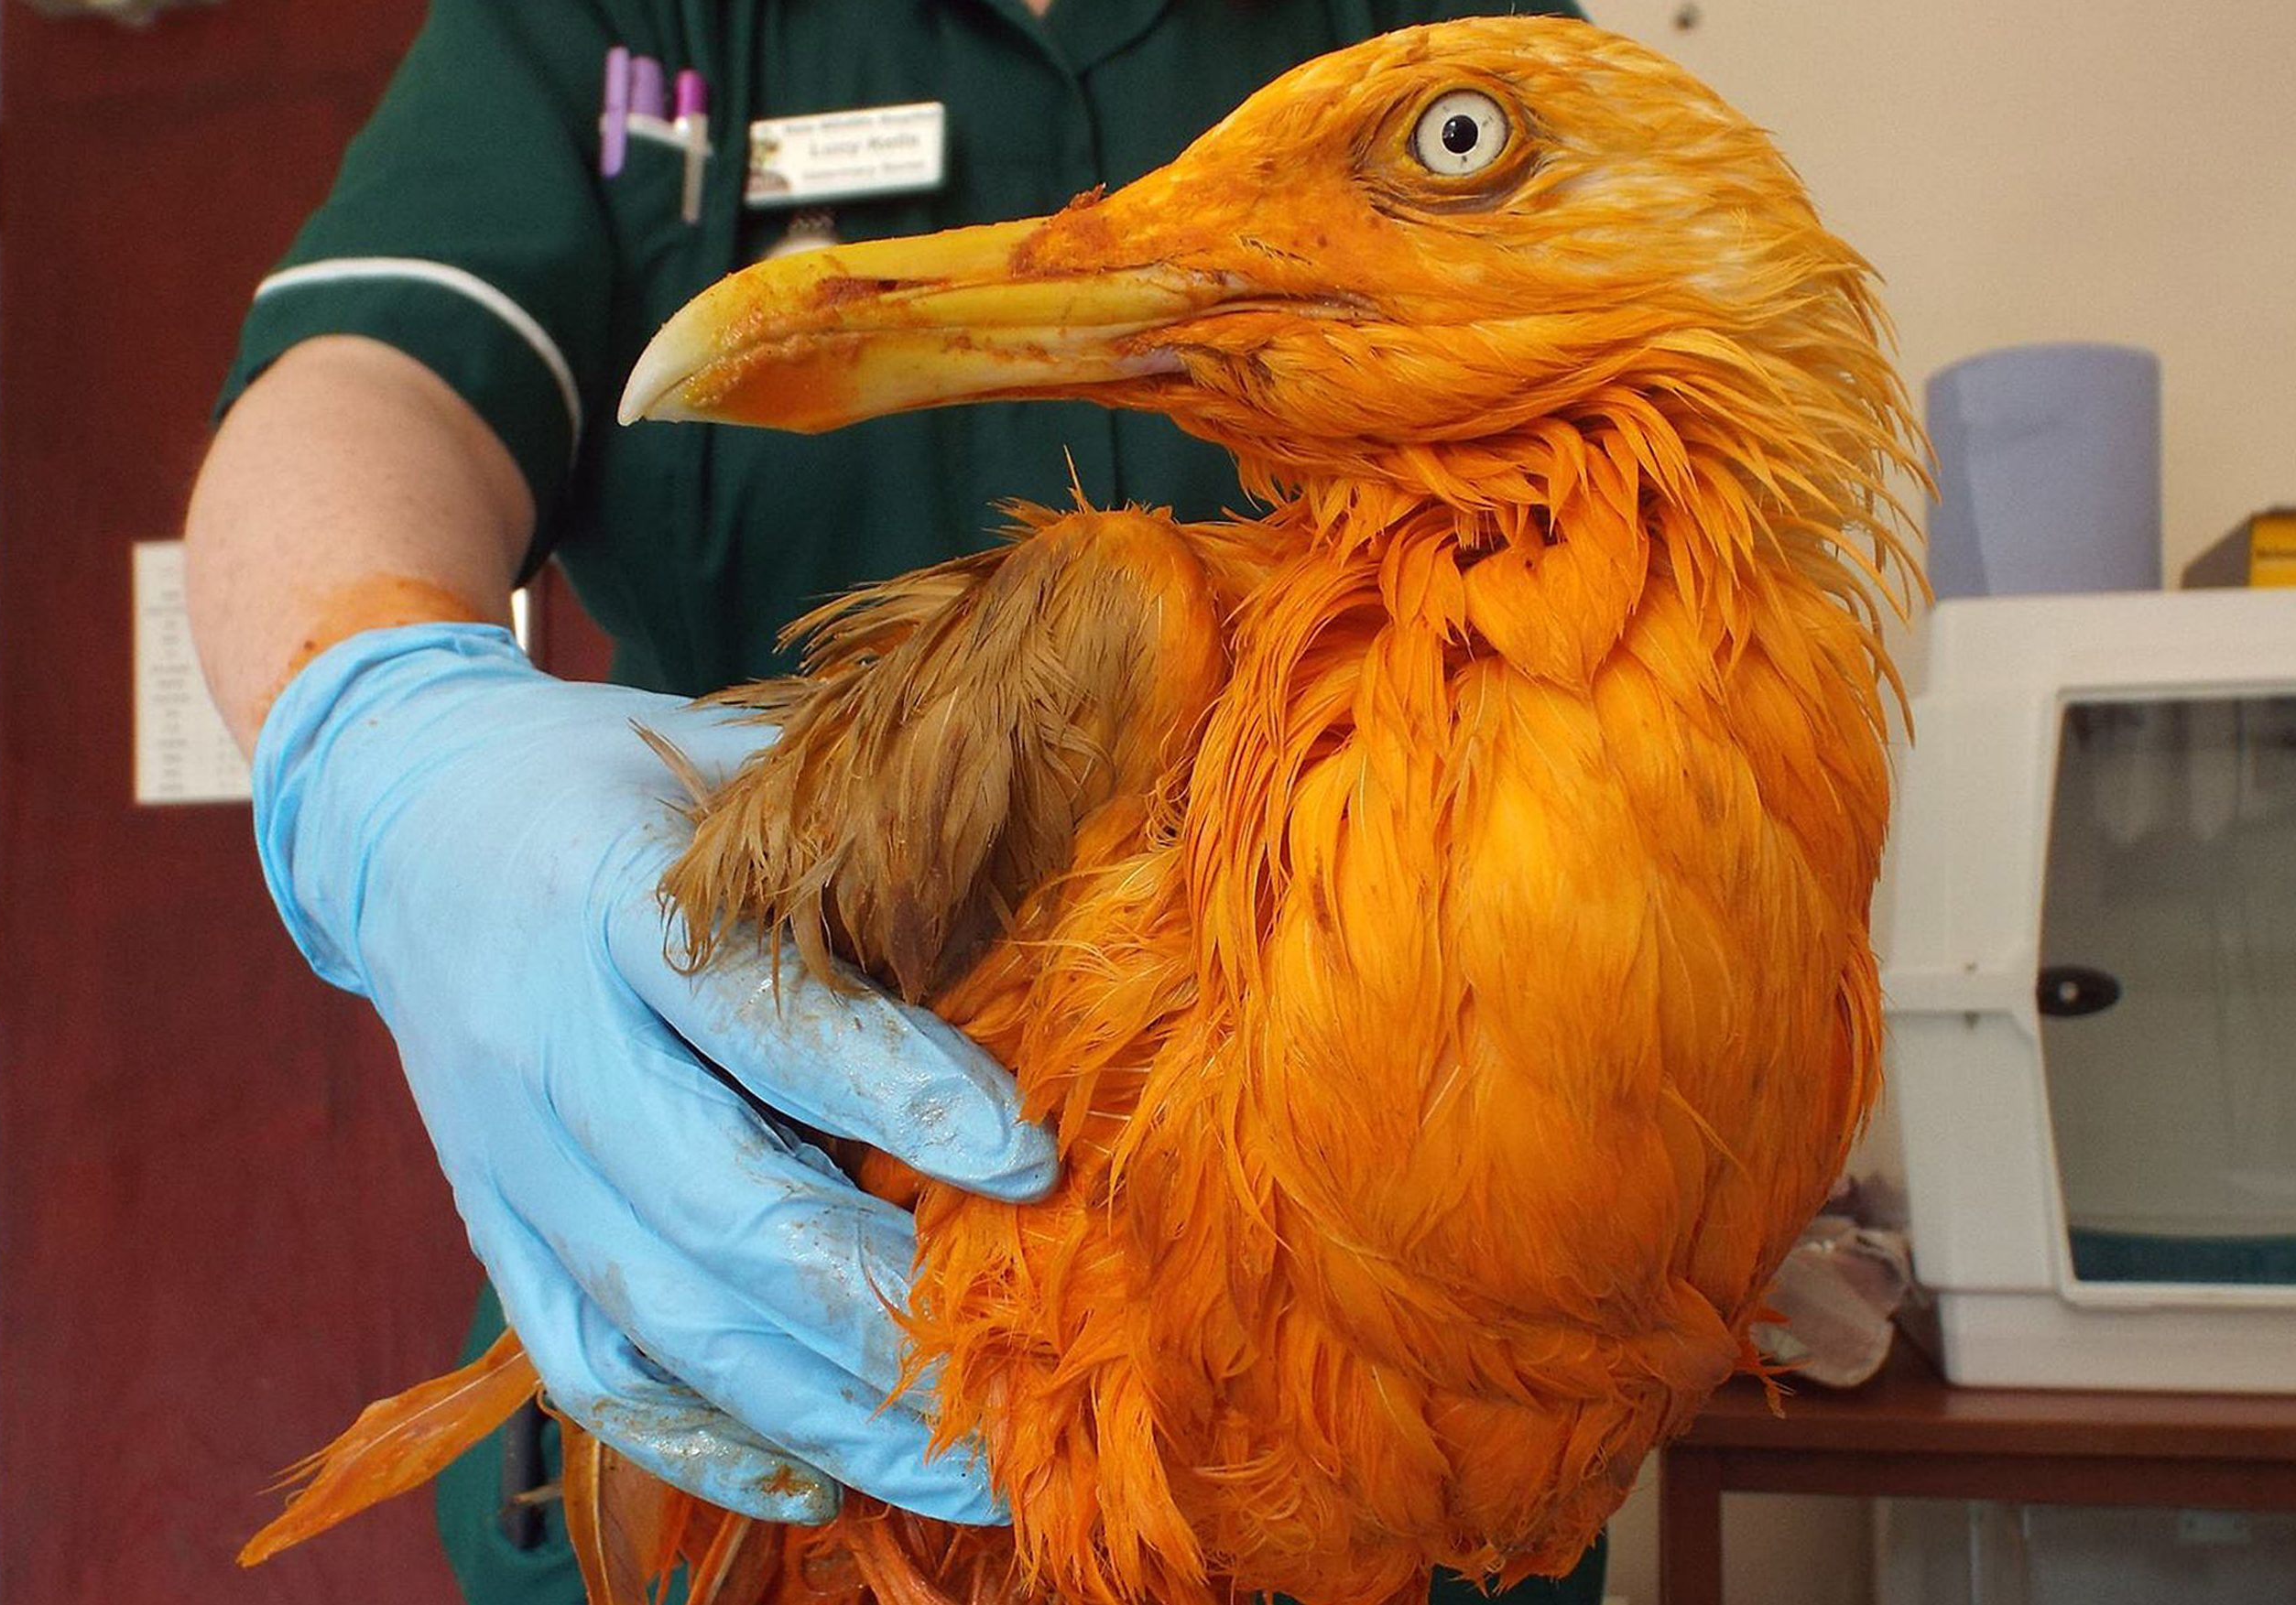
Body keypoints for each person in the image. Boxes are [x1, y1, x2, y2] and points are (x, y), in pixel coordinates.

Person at [184, 1, 1600, 1602]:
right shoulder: (615, 22)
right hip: (748, 1283)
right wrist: (388, 738)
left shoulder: (1430, 35)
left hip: (1389, 1358)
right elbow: (374, 374)